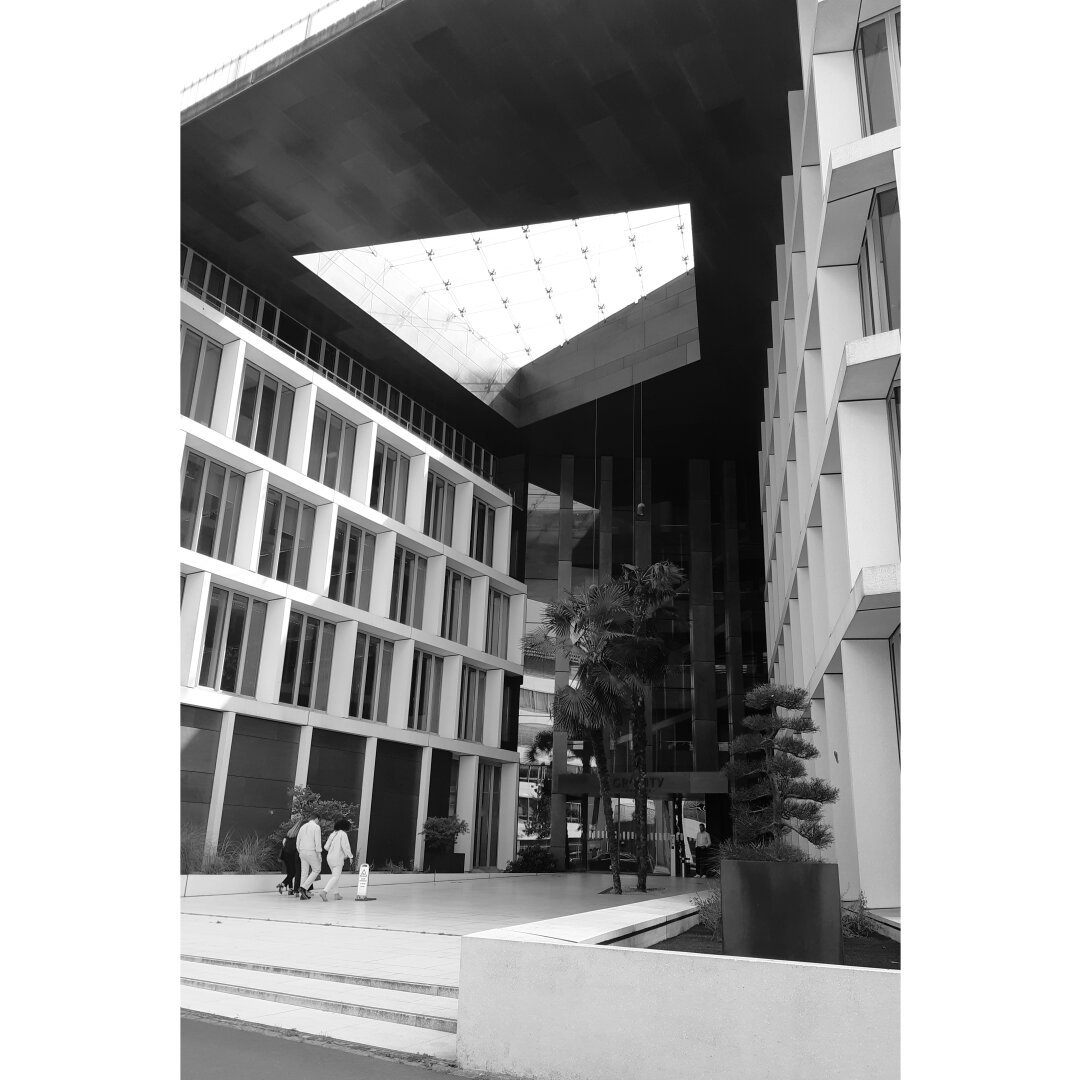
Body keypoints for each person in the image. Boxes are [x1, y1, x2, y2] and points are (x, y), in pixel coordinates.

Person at [320, 819, 353, 901]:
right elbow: (345, 846)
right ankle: (324, 892)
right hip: (337, 858)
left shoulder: (333, 834)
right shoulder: (343, 834)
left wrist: (333, 848)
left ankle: (336, 894)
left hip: (329, 858)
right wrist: (350, 856)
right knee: (336, 876)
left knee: (335, 876)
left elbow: (326, 847)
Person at [296, 814, 323, 899]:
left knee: (304, 872)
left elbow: (298, 841)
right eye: (318, 820)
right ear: (316, 819)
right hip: (311, 851)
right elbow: (317, 842)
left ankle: (302, 894)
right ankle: (303, 888)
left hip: (302, 852)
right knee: (317, 869)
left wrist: (300, 850)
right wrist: (319, 854)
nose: (318, 822)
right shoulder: (316, 827)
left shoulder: (303, 827)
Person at [277, 816, 303, 895]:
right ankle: (283, 884)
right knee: (295, 872)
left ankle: (290, 889)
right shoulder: (299, 833)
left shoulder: (290, 832)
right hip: (293, 854)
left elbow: (284, 843)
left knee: (290, 872)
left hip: (285, 854)